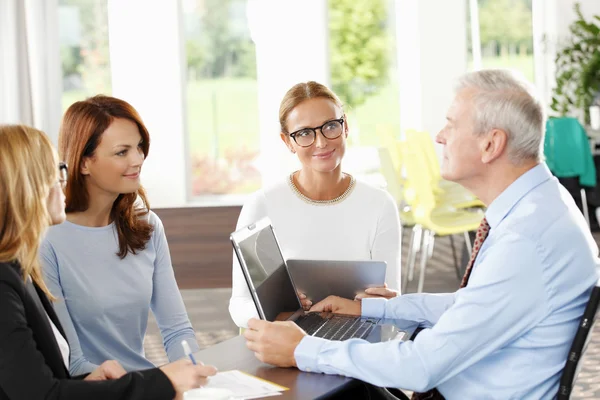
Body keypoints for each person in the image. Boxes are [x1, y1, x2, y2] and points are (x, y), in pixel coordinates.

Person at [242, 69, 599, 399]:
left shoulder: (526, 241)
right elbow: (468, 306)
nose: (440, 137)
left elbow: (421, 366)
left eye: (451, 125)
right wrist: (371, 308)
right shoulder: (539, 208)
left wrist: (301, 349)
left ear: (491, 145)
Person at [0, 124, 217, 400]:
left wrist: (89, 381)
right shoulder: (8, 280)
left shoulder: (19, 270)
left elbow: (45, 377)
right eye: (53, 173)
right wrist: (161, 382)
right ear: (25, 189)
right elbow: (41, 394)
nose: (61, 182)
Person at [40, 95, 201, 375]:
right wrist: (153, 388)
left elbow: (177, 330)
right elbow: (73, 362)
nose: (138, 159)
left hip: (142, 382)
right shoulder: (47, 239)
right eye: (121, 152)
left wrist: (194, 371)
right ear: (83, 163)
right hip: (93, 390)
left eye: (139, 147)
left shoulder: (147, 226)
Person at [229, 81, 402, 328]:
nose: (321, 142)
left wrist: (374, 304)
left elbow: (393, 298)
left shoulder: (380, 204)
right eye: (305, 133)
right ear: (288, 141)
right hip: (286, 338)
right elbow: (239, 303)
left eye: (330, 126)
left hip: (356, 338)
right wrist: (276, 312)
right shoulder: (263, 205)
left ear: (346, 127)